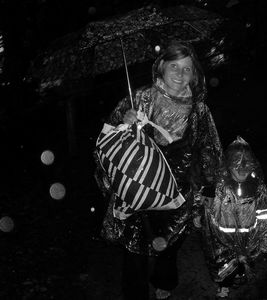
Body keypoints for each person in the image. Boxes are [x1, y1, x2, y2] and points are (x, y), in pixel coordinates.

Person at [94, 41, 222, 300]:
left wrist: (209, 188)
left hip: (179, 194)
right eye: (173, 66)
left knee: (170, 246)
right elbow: (107, 144)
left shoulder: (199, 111)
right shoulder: (139, 99)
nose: (180, 74)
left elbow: (209, 149)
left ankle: (164, 281)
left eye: (187, 68)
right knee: (134, 252)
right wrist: (124, 122)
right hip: (138, 188)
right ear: (160, 68)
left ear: (195, 74)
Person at [199, 136, 267, 299]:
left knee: (244, 261)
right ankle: (224, 284)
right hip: (222, 236)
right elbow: (204, 198)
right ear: (229, 165)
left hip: (248, 236)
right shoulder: (219, 185)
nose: (242, 171)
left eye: (246, 167)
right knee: (222, 264)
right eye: (237, 167)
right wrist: (200, 212)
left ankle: (239, 273)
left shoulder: (257, 188)